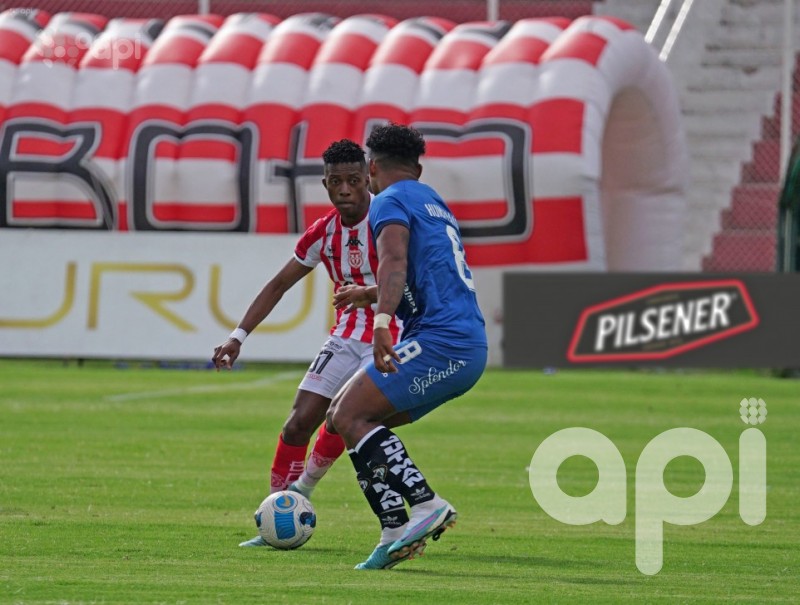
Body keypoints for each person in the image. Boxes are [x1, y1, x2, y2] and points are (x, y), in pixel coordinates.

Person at [212, 139, 401, 547]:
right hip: (346, 336)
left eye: (354, 180)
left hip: (391, 336)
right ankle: (276, 513)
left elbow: (407, 277)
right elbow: (278, 285)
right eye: (336, 182)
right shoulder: (324, 232)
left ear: (368, 177)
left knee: (343, 416)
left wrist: (369, 293)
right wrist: (236, 337)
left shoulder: (391, 221)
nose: (346, 189)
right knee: (298, 423)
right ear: (326, 184)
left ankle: (302, 492)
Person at [327, 123, 488, 570]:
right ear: (417, 167)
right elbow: (425, 271)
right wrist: (369, 294)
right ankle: (394, 530)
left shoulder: (390, 201)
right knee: (346, 417)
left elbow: (395, 260)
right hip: (463, 343)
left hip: (443, 343)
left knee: (347, 414)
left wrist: (380, 324)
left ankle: (424, 504)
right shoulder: (431, 200)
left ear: (372, 168)